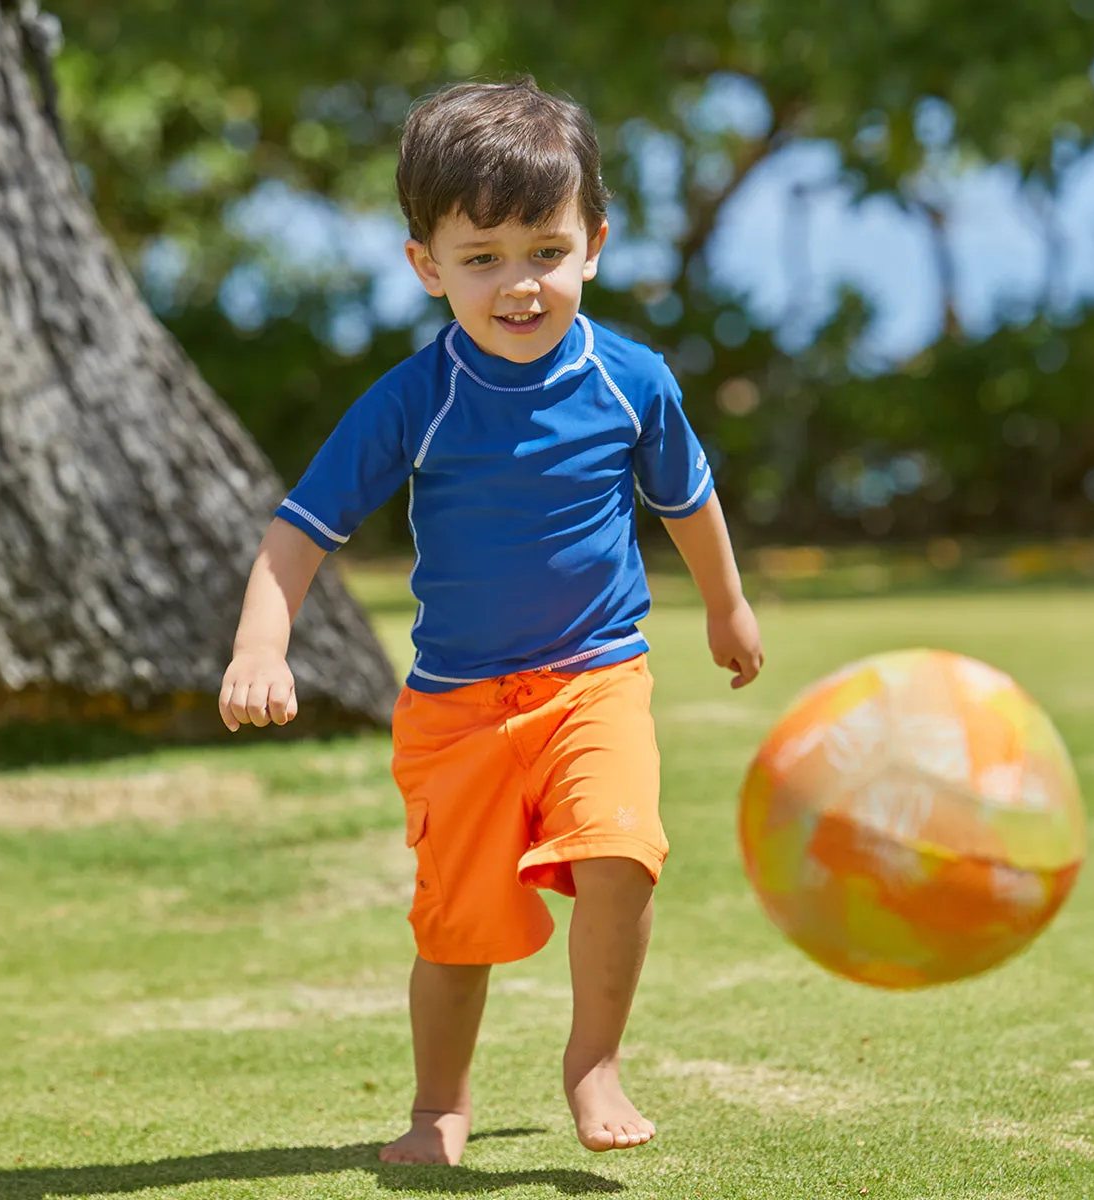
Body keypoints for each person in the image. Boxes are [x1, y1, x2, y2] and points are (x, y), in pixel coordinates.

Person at [219, 77, 764, 1167]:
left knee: (623, 852)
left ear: (594, 246)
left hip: (595, 679)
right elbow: (298, 535)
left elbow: (687, 502)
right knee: (455, 929)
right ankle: (439, 1108)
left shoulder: (632, 382)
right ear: (427, 266)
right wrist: (258, 645)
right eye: (483, 258)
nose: (520, 284)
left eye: (546, 252)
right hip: (456, 712)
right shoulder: (411, 402)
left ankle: (594, 1061)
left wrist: (727, 605)